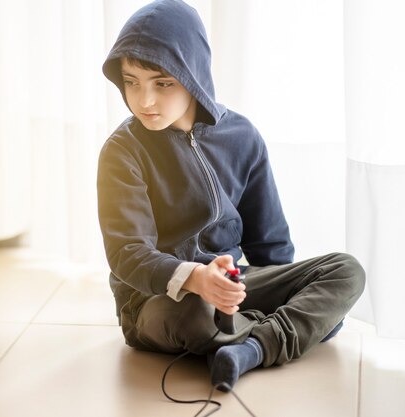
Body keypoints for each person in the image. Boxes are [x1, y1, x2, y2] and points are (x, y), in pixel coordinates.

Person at [97, 0, 365, 392]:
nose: (144, 100)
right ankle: (274, 334)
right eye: (131, 81)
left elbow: (269, 240)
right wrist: (194, 278)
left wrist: (281, 288)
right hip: (158, 302)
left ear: (193, 75)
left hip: (231, 284)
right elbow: (128, 254)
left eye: (162, 82)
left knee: (347, 271)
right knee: (196, 315)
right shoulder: (122, 150)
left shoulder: (242, 136)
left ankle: (248, 348)